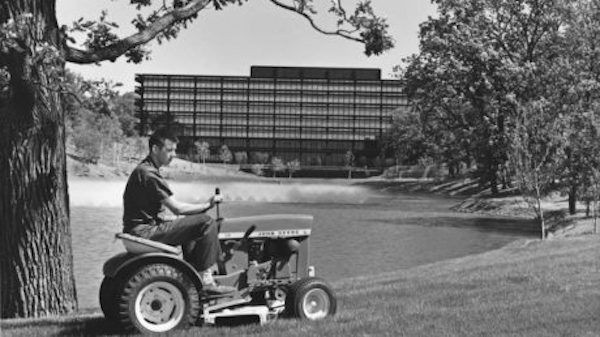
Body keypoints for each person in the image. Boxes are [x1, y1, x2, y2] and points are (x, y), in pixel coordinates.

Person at [122, 128, 235, 295]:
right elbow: (177, 208)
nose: (173, 154)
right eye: (169, 150)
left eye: (174, 150)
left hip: (139, 229)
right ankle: (206, 280)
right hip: (144, 232)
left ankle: (193, 277)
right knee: (206, 222)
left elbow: (151, 211)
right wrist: (208, 204)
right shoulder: (149, 174)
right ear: (155, 149)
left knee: (190, 227)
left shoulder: (143, 170)